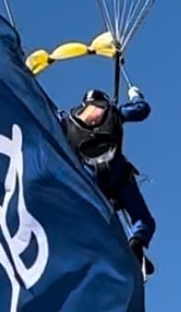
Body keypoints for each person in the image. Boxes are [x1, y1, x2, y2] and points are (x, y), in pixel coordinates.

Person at [60, 85, 157, 277]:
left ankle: (118, 249)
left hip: (91, 182)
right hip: (118, 177)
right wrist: (136, 96)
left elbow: (47, 117)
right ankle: (136, 243)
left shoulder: (67, 121)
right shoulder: (115, 113)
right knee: (143, 219)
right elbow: (142, 110)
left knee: (96, 220)